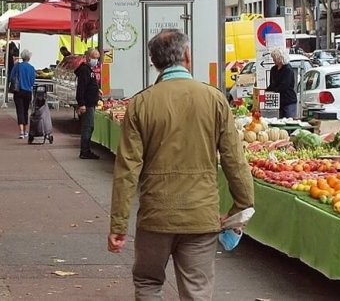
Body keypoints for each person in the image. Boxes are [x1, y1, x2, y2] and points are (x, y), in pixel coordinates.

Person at [108, 29, 255, 300]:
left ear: (154, 62)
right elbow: (235, 160)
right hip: (200, 216)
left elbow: (127, 170)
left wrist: (118, 226)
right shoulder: (214, 100)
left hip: (155, 216)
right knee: (197, 291)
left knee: (148, 283)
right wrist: (241, 208)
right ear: (187, 55)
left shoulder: (140, 104)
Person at [75, 48, 101, 160]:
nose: (96, 60)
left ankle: (86, 150)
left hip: (90, 103)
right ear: (89, 57)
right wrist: (82, 104)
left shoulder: (88, 70)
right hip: (87, 104)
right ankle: (85, 151)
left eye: (97, 58)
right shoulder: (85, 71)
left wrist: (96, 91)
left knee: (89, 127)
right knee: (88, 127)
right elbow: (81, 88)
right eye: (95, 58)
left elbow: (88, 86)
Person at [10, 49, 37, 139]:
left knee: (20, 110)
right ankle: (25, 130)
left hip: (18, 91)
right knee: (26, 111)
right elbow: (33, 81)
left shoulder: (17, 66)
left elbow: (11, 77)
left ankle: (21, 131)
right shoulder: (32, 68)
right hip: (28, 92)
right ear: (29, 58)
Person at [266, 48, 297, 119]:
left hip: (288, 101)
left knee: (289, 121)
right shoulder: (273, 69)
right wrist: (266, 91)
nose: (273, 60)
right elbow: (272, 84)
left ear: (280, 58)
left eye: (274, 58)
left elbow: (284, 85)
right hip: (277, 102)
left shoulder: (288, 69)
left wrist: (273, 91)